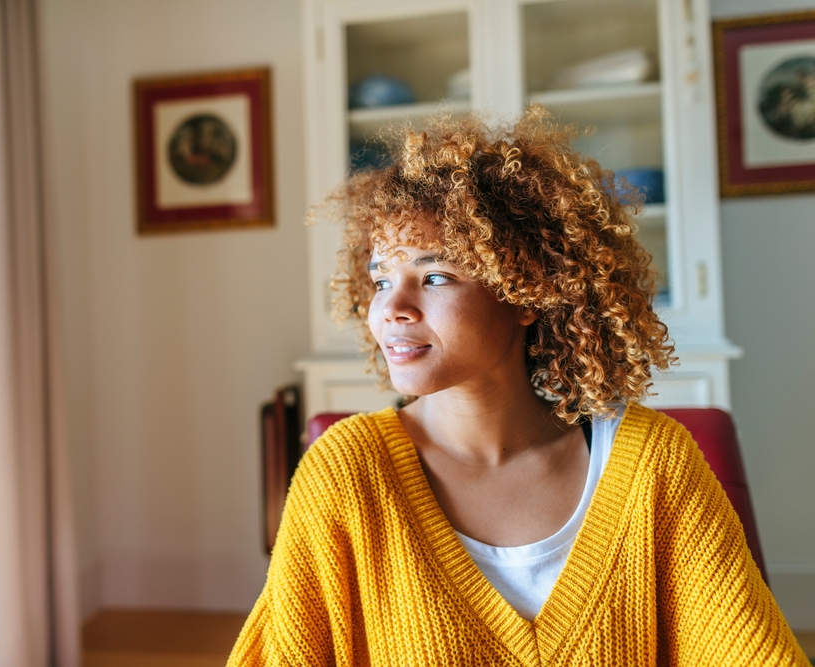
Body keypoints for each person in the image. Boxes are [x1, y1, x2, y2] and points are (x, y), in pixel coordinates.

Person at [227, 108, 808, 666]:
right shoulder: (344, 473)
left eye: (434, 276)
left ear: (527, 294)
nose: (391, 309)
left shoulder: (654, 463)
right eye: (381, 280)